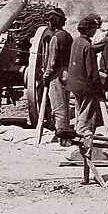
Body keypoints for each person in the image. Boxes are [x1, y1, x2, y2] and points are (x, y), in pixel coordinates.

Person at [39, 8, 73, 144]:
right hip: (67, 73)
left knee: (58, 108)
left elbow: (51, 61)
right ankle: (66, 135)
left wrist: (45, 76)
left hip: (57, 74)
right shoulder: (68, 36)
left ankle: (62, 137)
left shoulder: (55, 38)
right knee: (65, 105)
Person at [68, 15, 104, 138]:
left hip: (74, 83)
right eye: (93, 28)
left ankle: (78, 129)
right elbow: (92, 71)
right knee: (87, 110)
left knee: (79, 109)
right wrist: (98, 89)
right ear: (88, 29)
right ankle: (83, 132)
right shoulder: (88, 46)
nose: (95, 31)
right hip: (84, 84)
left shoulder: (76, 41)